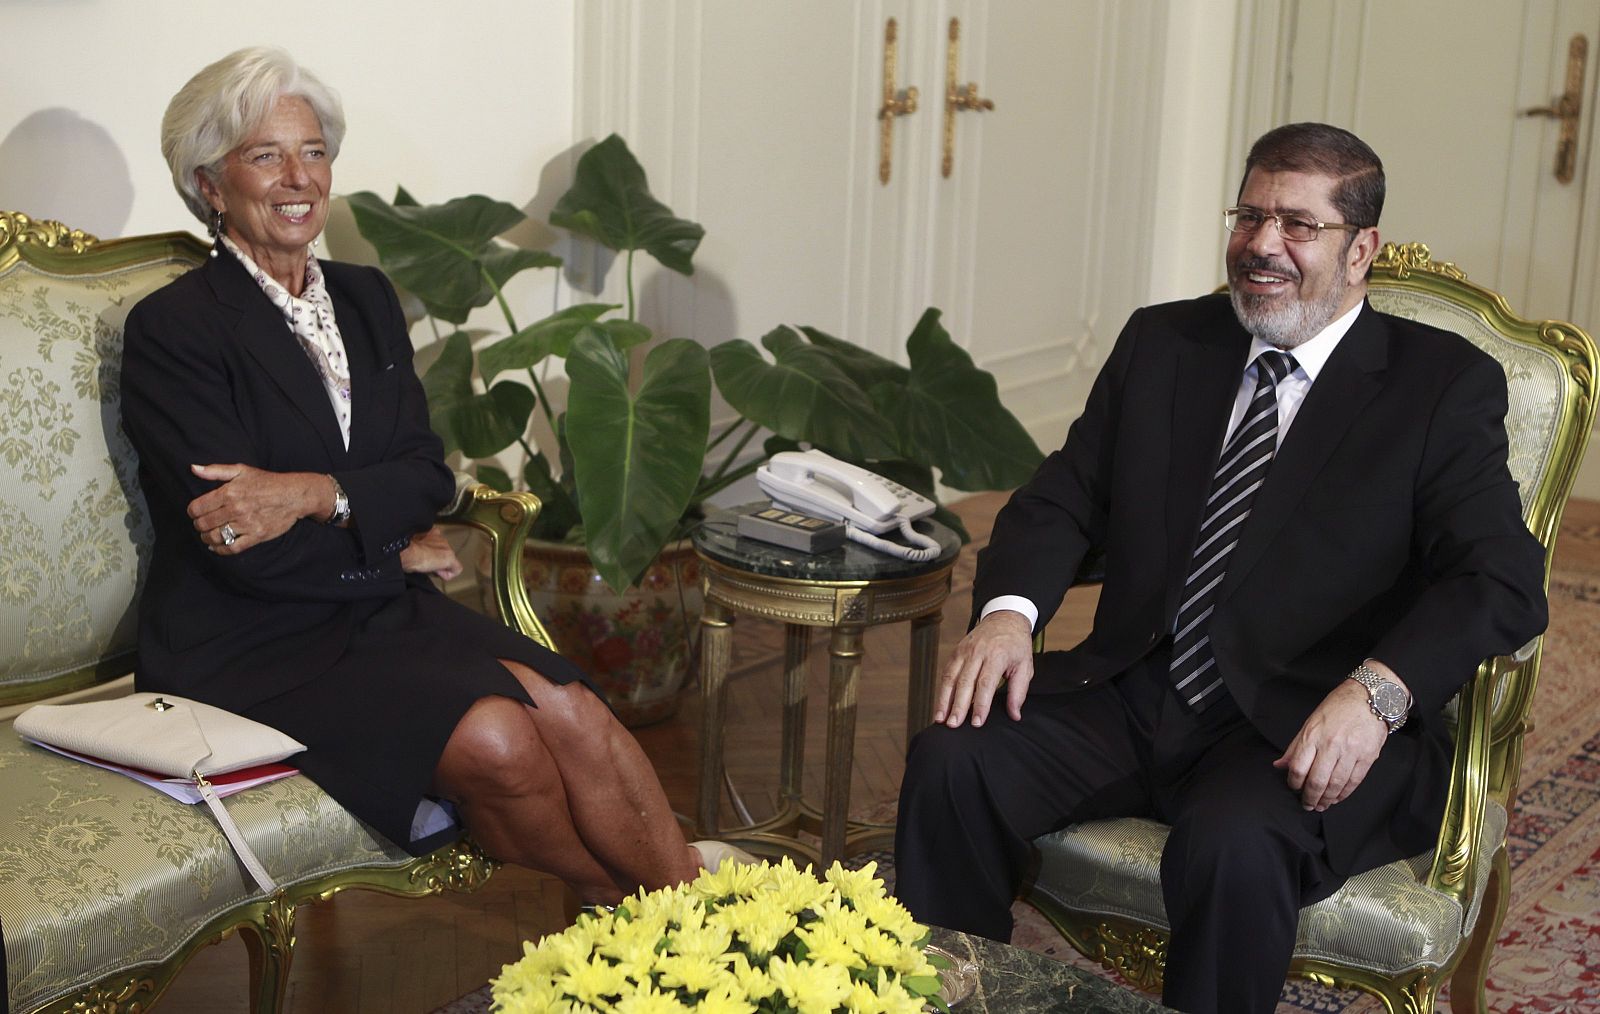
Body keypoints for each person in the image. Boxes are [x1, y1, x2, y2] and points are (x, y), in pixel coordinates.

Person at [893, 122, 1549, 1013]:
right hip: (1138, 685)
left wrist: (1378, 695)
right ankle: (953, 1000)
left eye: (1297, 225)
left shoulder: (1439, 386)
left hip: (1306, 719)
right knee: (953, 758)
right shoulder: (1167, 344)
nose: (1261, 245)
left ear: (1362, 250)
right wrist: (1009, 613)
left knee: (1231, 842)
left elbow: (1501, 577)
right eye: (1249, 215)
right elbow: (1063, 497)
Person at [120, 46, 747, 909]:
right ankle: (673, 914)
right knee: (498, 742)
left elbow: (423, 472)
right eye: (265, 155)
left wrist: (315, 495)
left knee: (573, 709)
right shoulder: (178, 331)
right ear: (210, 186)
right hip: (250, 641)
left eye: (314, 151)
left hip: (371, 608)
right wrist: (388, 545)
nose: (299, 177)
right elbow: (242, 552)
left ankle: (684, 918)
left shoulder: (367, 298)